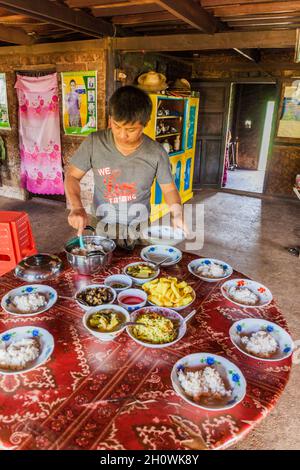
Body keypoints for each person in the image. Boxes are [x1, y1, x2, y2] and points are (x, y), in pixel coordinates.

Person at [65, 85, 187, 246]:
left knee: (140, 268)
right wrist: (76, 207)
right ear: (110, 119)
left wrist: (177, 215)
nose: (122, 135)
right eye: (117, 126)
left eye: (131, 129)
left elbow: (169, 189)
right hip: (102, 225)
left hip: (139, 229)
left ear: (145, 124)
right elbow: (72, 176)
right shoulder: (94, 142)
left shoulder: (156, 152)